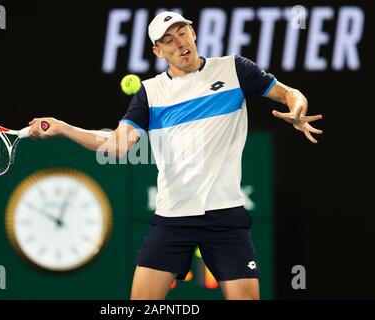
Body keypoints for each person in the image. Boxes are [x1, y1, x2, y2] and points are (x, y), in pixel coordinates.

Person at [28, 11, 322, 300]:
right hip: (173, 218)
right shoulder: (150, 93)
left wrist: (297, 107)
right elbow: (117, 145)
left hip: (225, 214)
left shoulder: (235, 69)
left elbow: (289, 93)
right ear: (158, 51)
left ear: (193, 33)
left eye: (182, 32)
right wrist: (64, 128)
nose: (179, 42)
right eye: (168, 40)